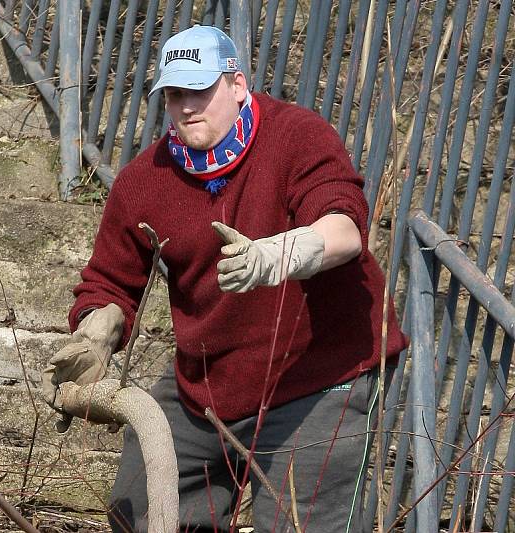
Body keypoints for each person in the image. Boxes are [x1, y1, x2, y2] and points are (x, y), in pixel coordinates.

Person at [43, 25, 407, 533]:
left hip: (318, 373)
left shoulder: (296, 136)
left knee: (303, 526)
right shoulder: (145, 178)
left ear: (236, 85)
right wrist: (97, 328)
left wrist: (279, 254)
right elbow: (109, 280)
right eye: (174, 94)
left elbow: (345, 228)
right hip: (209, 380)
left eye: (200, 89)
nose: (187, 106)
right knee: (138, 510)